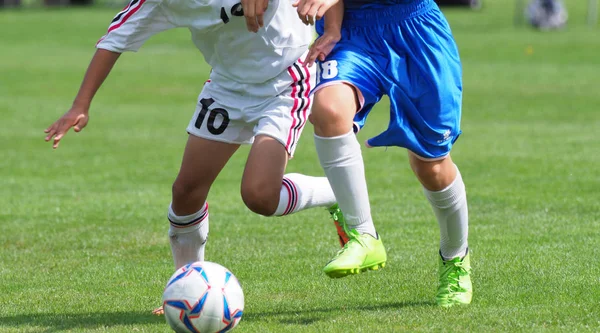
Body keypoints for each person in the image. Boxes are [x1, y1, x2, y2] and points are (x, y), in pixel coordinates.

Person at [43, 0, 350, 314]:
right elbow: (114, 39)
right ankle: (186, 285)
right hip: (226, 89)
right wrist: (81, 105)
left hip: (286, 84)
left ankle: (337, 193)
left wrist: (334, 29)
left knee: (259, 196)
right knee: (186, 192)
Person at [292, 0, 472, 307]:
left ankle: (455, 258)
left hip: (414, 28)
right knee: (328, 109)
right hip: (352, 34)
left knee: (431, 166)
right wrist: (333, 27)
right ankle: (364, 235)